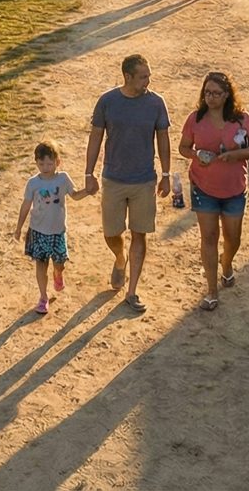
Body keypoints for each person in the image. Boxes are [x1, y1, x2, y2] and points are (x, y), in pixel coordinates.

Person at [83, 54, 172, 314]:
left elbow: (163, 140)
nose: (148, 81)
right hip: (113, 179)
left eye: (149, 76)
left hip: (144, 180)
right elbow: (96, 138)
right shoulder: (108, 102)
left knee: (139, 234)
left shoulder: (156, 103)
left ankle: (132, 291)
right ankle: (120, 259)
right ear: (128, 76)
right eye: (143, 76)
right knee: (111, 233)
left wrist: (166, 175)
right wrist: (88, 174)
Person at [180, 72, 249, 311]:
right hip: (203, 186)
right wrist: (196, 154)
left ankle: (227, 263)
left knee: (233, 238)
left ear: (227, 95)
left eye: (216, 93)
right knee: (209, 237)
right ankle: (212, 290)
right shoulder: (195, 119)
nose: (210, 97)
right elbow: (183, 147)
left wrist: (234, 155)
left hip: (234, 187)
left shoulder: (242, 119)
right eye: (207, 92)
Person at [16, 140, 93, 315]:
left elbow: (74, 195)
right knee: (40, 265)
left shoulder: (63, 178)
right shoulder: (33, 183)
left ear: (58, 162)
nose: (45, 167)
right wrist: (19, 227)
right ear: (36, 162)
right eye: (41, 163)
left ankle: (58, 274)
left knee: (59, 263)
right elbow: (26, 205)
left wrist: (87, 191)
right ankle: (43, 297)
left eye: (49, 163)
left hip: (58, 232)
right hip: (38, 231)